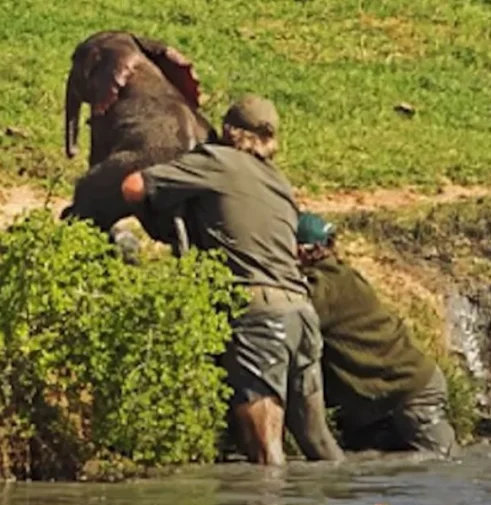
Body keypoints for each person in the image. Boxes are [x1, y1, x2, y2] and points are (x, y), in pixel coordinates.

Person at [119, 94, 345, 465]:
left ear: (228, 131)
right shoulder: (281, 184)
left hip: (258, 317)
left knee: (266, 457)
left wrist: (156, 222)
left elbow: (133, 186)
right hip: (302, 315)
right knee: (320, 446)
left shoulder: (218, 161)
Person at [295, 212, 459, 457]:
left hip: (411, 392)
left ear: (305, 251)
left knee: (442, 467)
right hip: (391, 395)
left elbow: (296, 314)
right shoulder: (343, 275)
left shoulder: (324, 287)